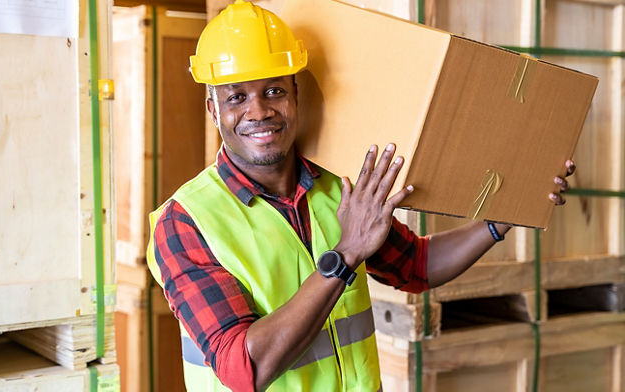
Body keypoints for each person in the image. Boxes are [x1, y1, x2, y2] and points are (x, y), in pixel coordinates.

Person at [146, 1, 575, 391]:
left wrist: (499, 219)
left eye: (274, 90)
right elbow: (244, 369)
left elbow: (417, 268)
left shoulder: (339, 186)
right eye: (237, 97)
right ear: (213, 110)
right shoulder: (185, 222)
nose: (259, 111)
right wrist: (346, 253)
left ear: (296, 93)